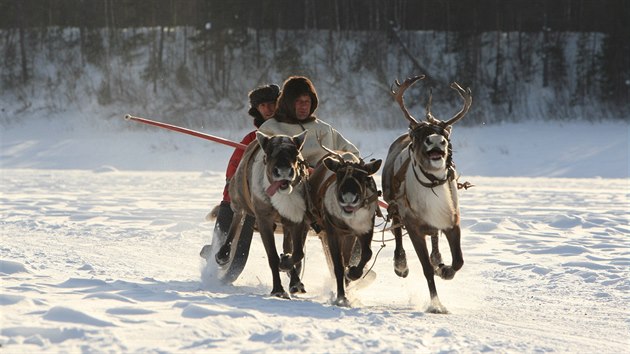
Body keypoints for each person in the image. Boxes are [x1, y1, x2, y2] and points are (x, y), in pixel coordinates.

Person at [200, 84, 280, 259]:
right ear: (257, 110)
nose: (268, 109)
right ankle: (217, 246)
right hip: (251, 194)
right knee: (231, 195)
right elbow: (235, 166)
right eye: (263, 106)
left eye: (271, 103)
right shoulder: (251, 139)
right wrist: (232, 186)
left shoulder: (294, 134)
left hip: (285, 189)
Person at [258, 76, 359, 167]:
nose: (304, 106)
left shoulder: (324, 129)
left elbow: (353, 154)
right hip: (287, 182)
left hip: (326, 183)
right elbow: (260, 165)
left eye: (307, 101)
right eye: (298, 101)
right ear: (288, 102)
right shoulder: (269, 129)